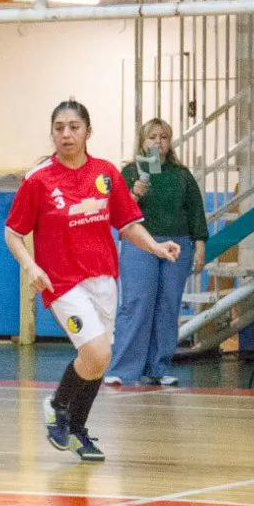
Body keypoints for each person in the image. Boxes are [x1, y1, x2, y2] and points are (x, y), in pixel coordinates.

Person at [4, 101, 180, 463]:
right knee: (96, 352)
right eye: (59, 127)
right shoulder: (38, 178)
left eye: (73, 126)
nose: (66, 134)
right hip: (62, 283)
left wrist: (156, 247)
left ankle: (77, 429)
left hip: (103, 277)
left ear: (88, 130)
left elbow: (127, 224)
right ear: (52, 132)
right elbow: (12, 232)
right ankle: (56, 406)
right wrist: (31, 267)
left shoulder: (106, 173)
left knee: (98, 361)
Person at [106, 118, 208, 386]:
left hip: (177, 246)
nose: (158, 142)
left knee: (167, 306)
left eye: (163, 137)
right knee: (137, 303)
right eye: (152, 137)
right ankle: (123, 369)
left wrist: (199, 246)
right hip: (140, 244)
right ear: (142, 142)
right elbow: (118, 212)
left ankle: (158, 368)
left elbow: (196, 211)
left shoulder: (181, 174)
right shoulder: (130, 172)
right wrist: (135, 194)